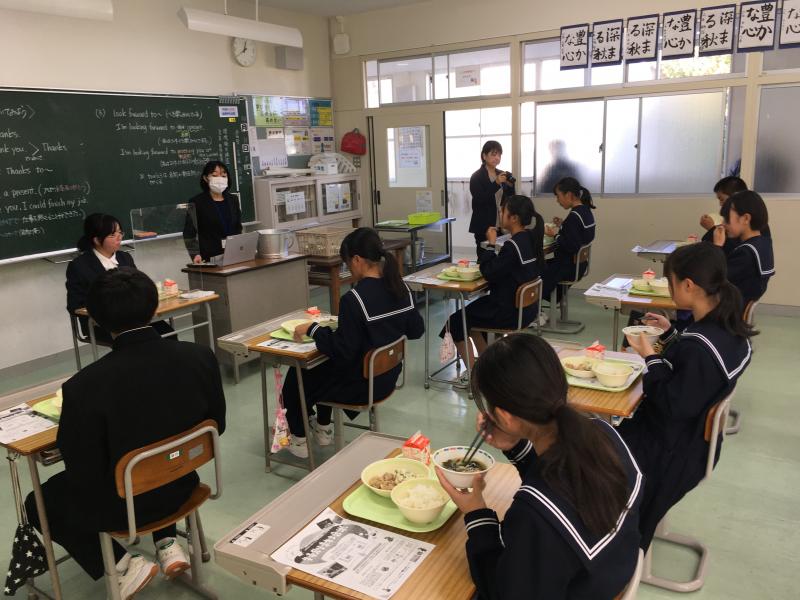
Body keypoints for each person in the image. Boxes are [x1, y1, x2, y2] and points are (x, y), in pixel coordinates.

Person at [28, 268, 227, 599]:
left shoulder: (84, 387)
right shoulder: (200, 357)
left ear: (96, 320)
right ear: (154, 308)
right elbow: (217, 424)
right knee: (154, 451)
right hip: (182, 483)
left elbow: (83, 470)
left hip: (124, 508)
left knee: (40, 500)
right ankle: (167, 543)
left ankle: (123, 565)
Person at [436, 334, 643, 599]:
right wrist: (515, 446)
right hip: (606, 576)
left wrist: (476, 513)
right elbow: (559, 483)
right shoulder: (604, 433)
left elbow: (502, 591)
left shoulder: (533, 514)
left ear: (505, 417)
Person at [619, 242, 754, 550]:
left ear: (689, 286)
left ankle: (621, 546)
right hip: (699, 444)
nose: (669, 289)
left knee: (596, 444)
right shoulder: (728, 328)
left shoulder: (699, 346)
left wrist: (649, 356)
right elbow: (693, 375)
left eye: (671, 283)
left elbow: (670, 402)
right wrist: (670, 334)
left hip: (673, 452)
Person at [286, 228, 425, 458]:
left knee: (298, 373)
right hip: (388, 377)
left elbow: (343, 351)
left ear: (358, 260)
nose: (348, 268)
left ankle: (299, 437)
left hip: (362, 386)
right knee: (324, 368)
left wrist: (313, 329)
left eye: (347, 263)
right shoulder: (401, 288)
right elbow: (416, 331)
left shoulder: (354, 299)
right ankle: (323, 428)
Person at [442, 195, 543, 372]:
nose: (500, 213)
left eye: (503, 210)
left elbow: (488, 272)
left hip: (507, 311)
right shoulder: (529, 238)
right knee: (472, 320)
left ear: (514, 218)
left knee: (456, 322)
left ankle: (475, 376)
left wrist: (490, 244)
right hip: (527, 309)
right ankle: (488, 369)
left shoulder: (512, 246)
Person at [66, 213, 173, 343]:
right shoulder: (79, 266)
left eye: (120, 233)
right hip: (103, 324)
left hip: (135, 318)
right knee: (141, 341)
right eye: (112, 235)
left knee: (168, 333)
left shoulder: (125, 258)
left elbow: (139, 288)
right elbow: (75, 305)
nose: (119, 237)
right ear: (97, 240)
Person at [712, 190, 775, 306]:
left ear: (746, 219)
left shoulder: (746, 253)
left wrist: (717, 247)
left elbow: (714, 278)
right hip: (737, 306)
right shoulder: (763, 243)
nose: (723, 224)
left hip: (727, 311)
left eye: (727, 219)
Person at [541, 177, 596, 301]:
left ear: (569, 195)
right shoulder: (585, 211)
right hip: (580, 264)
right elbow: (581, 234)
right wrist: (562, 225)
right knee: (541, 266)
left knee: (534, 270)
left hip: (568, 267)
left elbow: (571, 246)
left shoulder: (574, 216)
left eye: (558, 196)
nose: (557, 200)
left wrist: (555, 235)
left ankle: (536, 307)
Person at [183, 160, 243, 263]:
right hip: (209, 257)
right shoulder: (197, 202)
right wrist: (195, 254)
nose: (220, 179)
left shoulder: (233, 200)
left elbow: (238, 227)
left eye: (223, 176)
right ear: (205, 178)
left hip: (233, 254)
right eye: (215, 175)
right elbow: (189, 233)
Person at [468, 141, 516, 255]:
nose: (497, 158)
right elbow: (480, 199)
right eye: (494, 154)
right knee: (484, 256)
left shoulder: (502, 174)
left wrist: (510, 186)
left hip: (501, 224)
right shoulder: (476, 177)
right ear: (484, 156)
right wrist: (496, 183)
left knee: (501, 257)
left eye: (499, 155)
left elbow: (510, 198)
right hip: (484, 224)